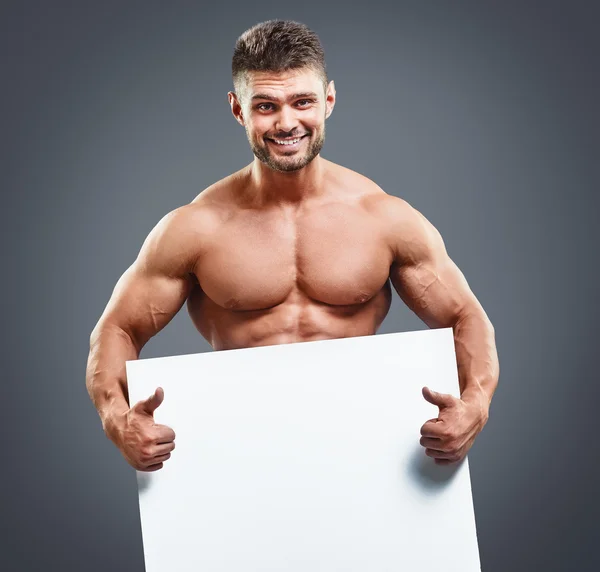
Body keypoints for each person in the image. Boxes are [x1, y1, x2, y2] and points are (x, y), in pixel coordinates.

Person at [86, 19, 499, 473]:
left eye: (302, 101)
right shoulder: (196, 228)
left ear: (329, 100)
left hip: (369, 450)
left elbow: (466, 316)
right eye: (266, 106)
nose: (286, 123)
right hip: (240, 452)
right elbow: (117, 330)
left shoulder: (383, 217)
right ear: (238, 110)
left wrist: (475, 404)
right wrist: (116, 419)